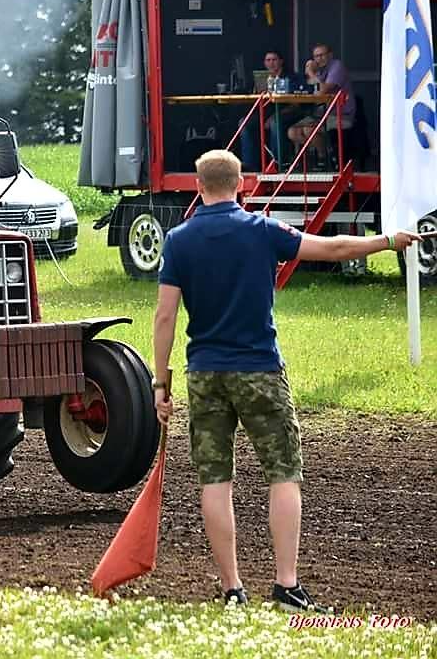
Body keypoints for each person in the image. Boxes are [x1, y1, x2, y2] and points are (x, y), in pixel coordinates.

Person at [152, 149, 420, 613]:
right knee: (283, 474)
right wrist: (388, 242)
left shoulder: (178, 240)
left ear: (198, 186)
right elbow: (334, 247)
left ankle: (233, 589)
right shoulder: (263, 230)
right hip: (259, 369)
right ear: (243, 185)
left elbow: (164, 317)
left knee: (215, 480)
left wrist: (161, 384)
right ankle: (286, 585)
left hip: (204, 374)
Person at [287, 44, 355, 161]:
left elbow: (322, 90)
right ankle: (321, 153)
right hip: (320, 114)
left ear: (330, 55)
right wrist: (308, 75)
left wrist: (312, 74)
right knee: (292, 132)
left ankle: (324, 159)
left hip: (340, 115)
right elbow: (309, 90)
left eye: (322, 55)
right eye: (316, 57)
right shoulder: (318, 70)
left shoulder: (336, 66)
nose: (319, 59)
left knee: (309, 130)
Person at [239, 50, 304, 171]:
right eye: (268, 60)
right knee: (244, 122)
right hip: (268, 111)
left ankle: (278, 164)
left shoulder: (292, 77)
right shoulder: (261, 78)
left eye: (274, 60)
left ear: (281, 61)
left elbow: (297, 102)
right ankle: (250, 165)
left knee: (275, 121)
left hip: (289, 110)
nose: (271, 63)